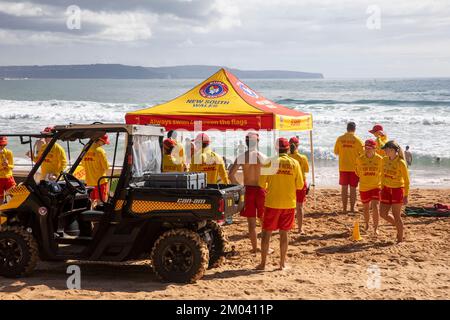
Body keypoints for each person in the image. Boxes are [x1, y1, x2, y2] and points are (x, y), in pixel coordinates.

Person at [257, 138, 304, 271]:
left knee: (266, 233)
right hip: (289, 203)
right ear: (288, 149)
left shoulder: (269, 162)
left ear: (276, 149)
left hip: (272, 202)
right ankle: (282, 264)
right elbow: (300, 185)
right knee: (284, 234)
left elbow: (261, 184)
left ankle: (263, 264)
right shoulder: (294, 163)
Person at [229, 132, 267, 253]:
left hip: (248, 190)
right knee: (263, 221)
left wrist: (239, 187)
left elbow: (230, 174)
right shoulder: (263, 157)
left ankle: (255, 248)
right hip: (261, 189)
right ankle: (266, 247)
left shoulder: (242, 156)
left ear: (246, 143)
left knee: (251, 222)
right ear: (258, 142)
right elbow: (271, 176)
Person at [379, 140, 410, 243]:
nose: (384, 151)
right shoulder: (384, 160)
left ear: (392, 150)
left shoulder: (401, 162)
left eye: (386, 149)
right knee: (383, 213)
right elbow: (382, 175)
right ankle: (399, 227)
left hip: (397, 190)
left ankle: (400, 239)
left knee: (396, 215)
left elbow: (407, 180)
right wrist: (382, 188)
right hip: (386, 189)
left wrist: (406, 195)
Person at [334, 122, 364, 214]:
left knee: (344, 188)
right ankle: (351, 208)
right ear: (354, 129)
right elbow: (362, 154)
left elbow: (336, 152)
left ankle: (344, 208)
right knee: (353, 188)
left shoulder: (340, 139)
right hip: (354, 168)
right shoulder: (358, 140)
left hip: (343, 167)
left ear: (346, 129)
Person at [355, 139, 383, 235]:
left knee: (375, 206)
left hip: (376, 186)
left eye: (369, 148)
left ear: (374, 148)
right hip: (364, 186)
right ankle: (367, 224)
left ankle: (376, 228)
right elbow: (357, 172)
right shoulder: (360, 159)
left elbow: (382, 173)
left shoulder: (380, 159)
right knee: (366, 208)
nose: (367, 149)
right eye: (365, 148)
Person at [288, 136, 310, 234]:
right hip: (300, 183)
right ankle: (300, 229)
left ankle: (289, 225)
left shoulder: (287, 157)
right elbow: (306, 170)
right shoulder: (302, 157)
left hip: (289, 183)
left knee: (289, 206)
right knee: (299, 207)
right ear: (298, 145)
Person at [81, 134, 110, 202]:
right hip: (100, 181)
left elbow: (83, 164)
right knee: (101, 202)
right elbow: (106, 167)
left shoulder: (85, 148)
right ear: (99, 140)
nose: (104, 144)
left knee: (91, 202)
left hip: (89, 182)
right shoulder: (100, 151)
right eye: (103, 142)